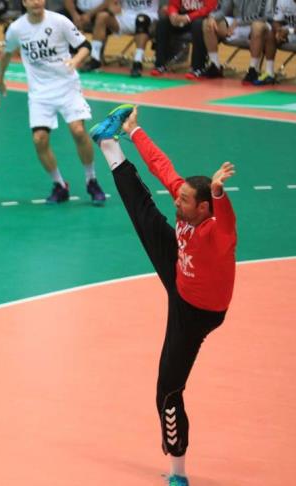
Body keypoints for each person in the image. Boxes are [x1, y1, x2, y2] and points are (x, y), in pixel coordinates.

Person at [89, 105, 237, 486]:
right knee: (143, 212)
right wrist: (135, 131)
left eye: (184, 200)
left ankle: (178, 473)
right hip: (179, 271)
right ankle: (109, 144)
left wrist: (219, 193)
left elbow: (227, 221)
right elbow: (162, 166)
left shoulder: (217, 235)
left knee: (167, 389)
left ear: (203, 207)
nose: (177, 201)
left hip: (196, 312)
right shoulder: (187, 207)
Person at [0, 0, 107, 205]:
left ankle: (91, 180)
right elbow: (7, 53)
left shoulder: (59, 21)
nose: (37, 2)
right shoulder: (17, 28)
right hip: (40, 92)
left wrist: (75, 61)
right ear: (24, 2)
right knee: (39, 139)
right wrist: (0, 78)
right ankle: (59, 185)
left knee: (78, 131)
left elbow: (85, 46)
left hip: (67, 86)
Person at [78, 0, 160, 76]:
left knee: (141, 20)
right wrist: (110, 7)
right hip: (125, 16)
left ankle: (137, 62)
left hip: (148, 16)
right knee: (102, 16)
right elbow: (111, 2)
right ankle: (95, 59)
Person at [253, 0, 296, 89]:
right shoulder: (283, 1)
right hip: (293, 31)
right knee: (271, 34)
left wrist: (289, 31)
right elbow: (276, 21)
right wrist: (279, 31)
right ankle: (269, 73)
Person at [202, 0, 270, 82]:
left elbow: (263, 16)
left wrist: (238, 22)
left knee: (257, 27)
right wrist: (212, 17)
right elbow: (223, 10)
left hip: (258, 25)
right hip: (236, 25)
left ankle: (253, 69)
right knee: (208, 23)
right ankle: (215, 66)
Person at [150, 0, 217, 77]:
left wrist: (188, 17)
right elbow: (173, 4)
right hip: (182, 16)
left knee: (198, 25)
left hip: (200, 17)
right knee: (162, 23)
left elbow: (208, 8)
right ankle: (160, 64)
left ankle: (198, 68)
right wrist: (173, 14)